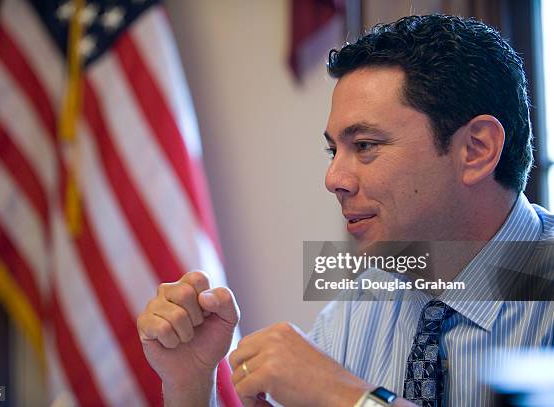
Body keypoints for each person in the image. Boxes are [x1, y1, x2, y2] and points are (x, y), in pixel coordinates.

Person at [137, 14, 554, 407]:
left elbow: (341, 397)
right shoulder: (363, 303)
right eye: (334, 150)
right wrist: (192, 387)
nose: (334, 178)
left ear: (476, 150)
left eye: (366, 146)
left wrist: (348, 398)